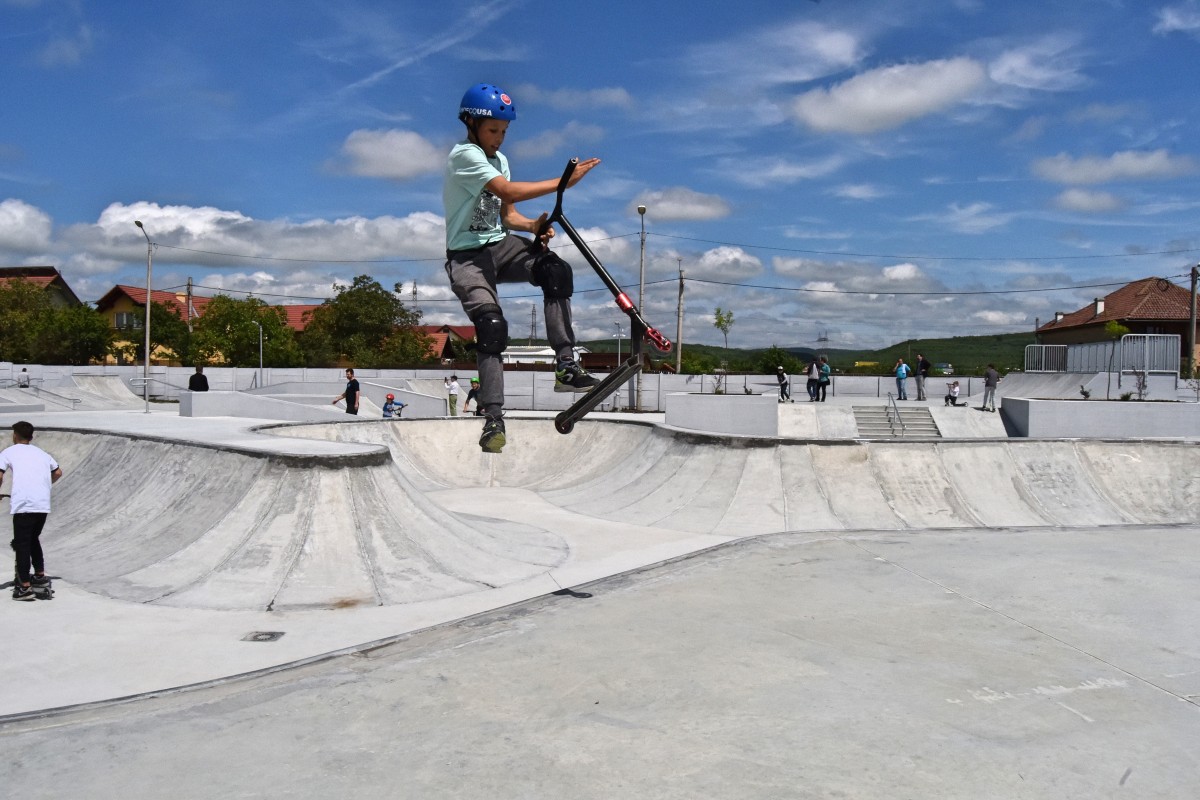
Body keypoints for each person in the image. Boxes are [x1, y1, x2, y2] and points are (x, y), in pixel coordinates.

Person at [444, 82, 600, 454]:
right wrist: (564, 183)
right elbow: (508, 192)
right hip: (467, 257)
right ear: (471, 124)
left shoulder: (500, 160)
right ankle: (493, 417)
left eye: (504, 132)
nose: (499, 139)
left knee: (554, 269)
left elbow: (507, 213)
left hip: (499, 246)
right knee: (492, 326)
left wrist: (532, 227)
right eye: (493, 130)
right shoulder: (464, 156)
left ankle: (565, 365)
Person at [1, 421, 63, 601]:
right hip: (42, 503)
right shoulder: (42, 454)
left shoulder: (8, 452)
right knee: (32, 539)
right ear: (31, 436)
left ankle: (24, 587)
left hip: (24, 505)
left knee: (22, 544)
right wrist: (42, 486)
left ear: (14, 435)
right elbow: (58, 472)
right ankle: (40, 576)